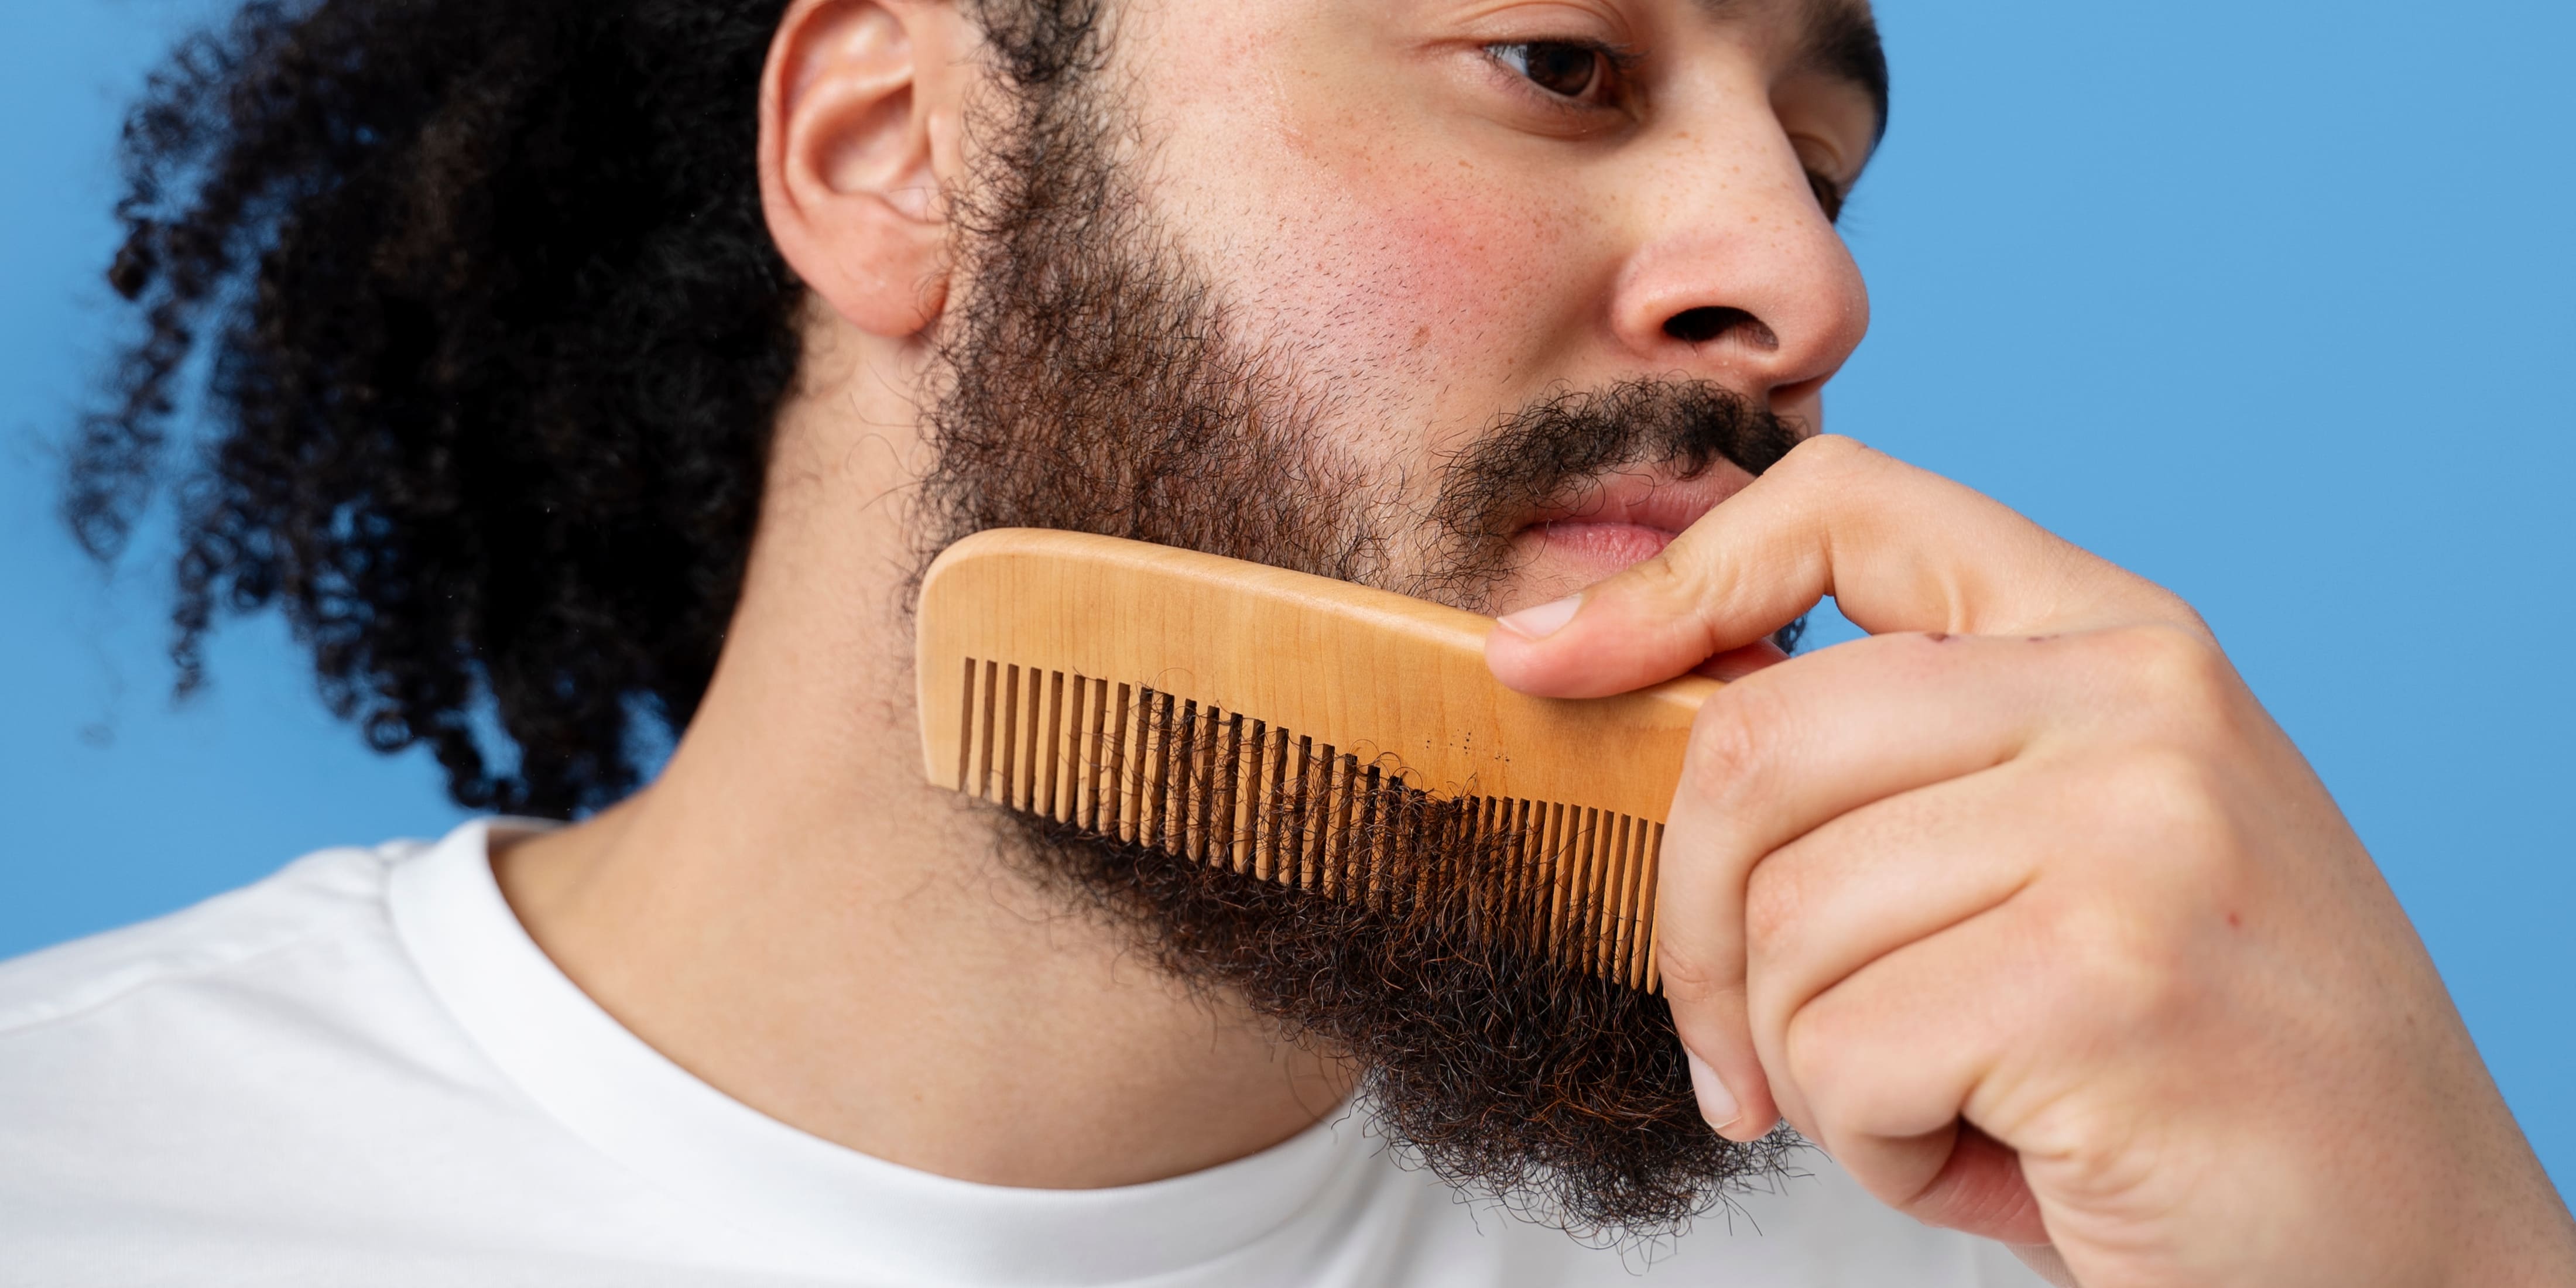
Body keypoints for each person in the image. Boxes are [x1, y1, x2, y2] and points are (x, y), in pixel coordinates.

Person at [5, 0, 2568, 1283]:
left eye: (1815, 154)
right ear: (895, 148)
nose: (1802, 281)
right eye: (1556, 61)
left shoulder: (2052, 1221)